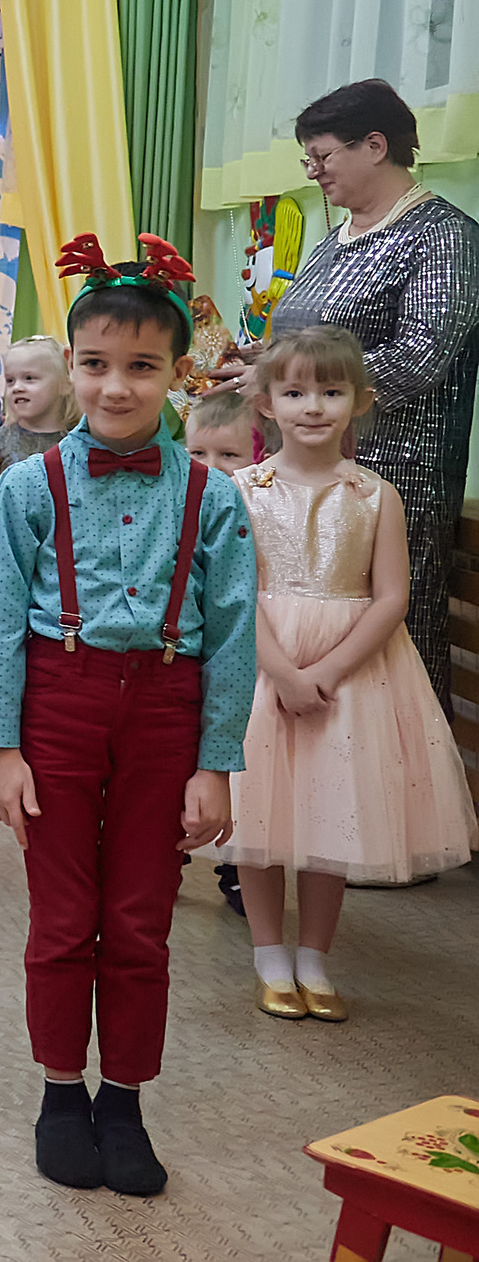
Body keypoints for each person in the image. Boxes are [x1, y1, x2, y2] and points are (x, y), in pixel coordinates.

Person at [0, 233, 256, 1199]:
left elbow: (234, 634)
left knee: (138, 917)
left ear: (179, 372)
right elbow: (0, 625)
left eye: (142, 367)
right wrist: (2, 747)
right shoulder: (26, 484)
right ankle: (61, 1091)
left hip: (167, 708)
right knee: (63, 915)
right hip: (59, 700)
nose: (117, 387)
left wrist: (215, 760)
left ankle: (124, 1099)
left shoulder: (214, 495)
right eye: (96, 365)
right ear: (70, 366)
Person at [223, 325, 476, 1024]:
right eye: (296, 390)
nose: (313, 405)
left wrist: (328, 669)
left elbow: (392, 596)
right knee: (261, 812)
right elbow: (234, 592)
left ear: (360, 401)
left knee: (332, 814)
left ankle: (315, 958)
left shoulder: (376, 496)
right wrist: (282, 671)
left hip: (354, 674)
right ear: (268, 402)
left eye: (331, 391)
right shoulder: (241, 489)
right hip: (264, 667)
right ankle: (270, 955)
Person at [207, 78, 479, 709]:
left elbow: (421, 357)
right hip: (302, 471)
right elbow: (316, 347)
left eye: (322, 156)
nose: (315, 172)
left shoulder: (442, 235)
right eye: (310, 159)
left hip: (391, 474)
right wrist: (261, 363)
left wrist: (291, 384)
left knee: (384, 652)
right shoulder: (339, 239)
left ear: (376, 145)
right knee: (293, 628)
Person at [184, 388, 263, 919]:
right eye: (198, 454)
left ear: (258, 456)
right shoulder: (180, 503)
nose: (212, 467)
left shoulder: (261, 506)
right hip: (190, 662)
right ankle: (167, 856)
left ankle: (237, 866)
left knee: (247, 770)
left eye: (229, 456)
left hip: (254, 661)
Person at [0, 334, 80, 485]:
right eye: (10, 380)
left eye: (29, 378)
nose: (17, 388)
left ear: (65, 385)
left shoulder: (78, 440)